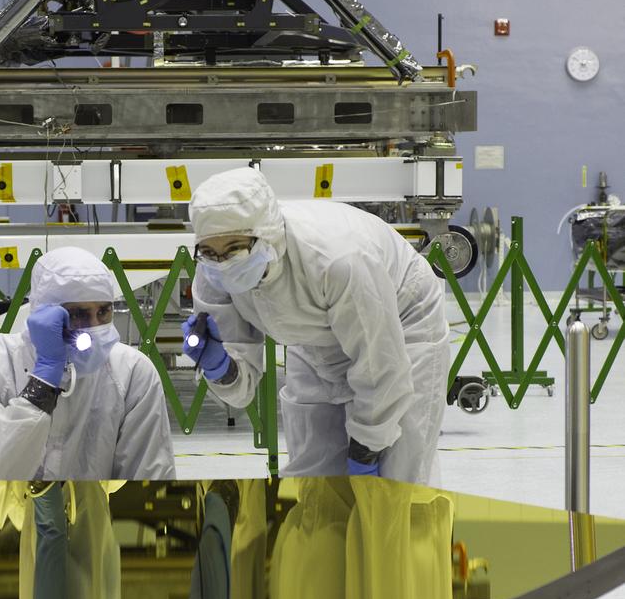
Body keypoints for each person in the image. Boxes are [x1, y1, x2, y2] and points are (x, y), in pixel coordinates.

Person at [182, 168, 449, 484]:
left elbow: (382, 369)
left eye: (235, 249)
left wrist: (366, 450)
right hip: (311, 336)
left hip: (402, 321)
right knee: (314, 476)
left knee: (397, 478)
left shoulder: (337, 260)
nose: (223, 264)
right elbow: (241, 391)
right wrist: (221, 367)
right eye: (211, 251)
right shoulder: (213, 271)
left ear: (267, 236)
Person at [0, 247, 176, 479]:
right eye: (78, 314)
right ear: (42, 313)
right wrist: (44, 380)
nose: (94, 327)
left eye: (104, 312)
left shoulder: (132, 372)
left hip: (92, 513)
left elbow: (148, 482)